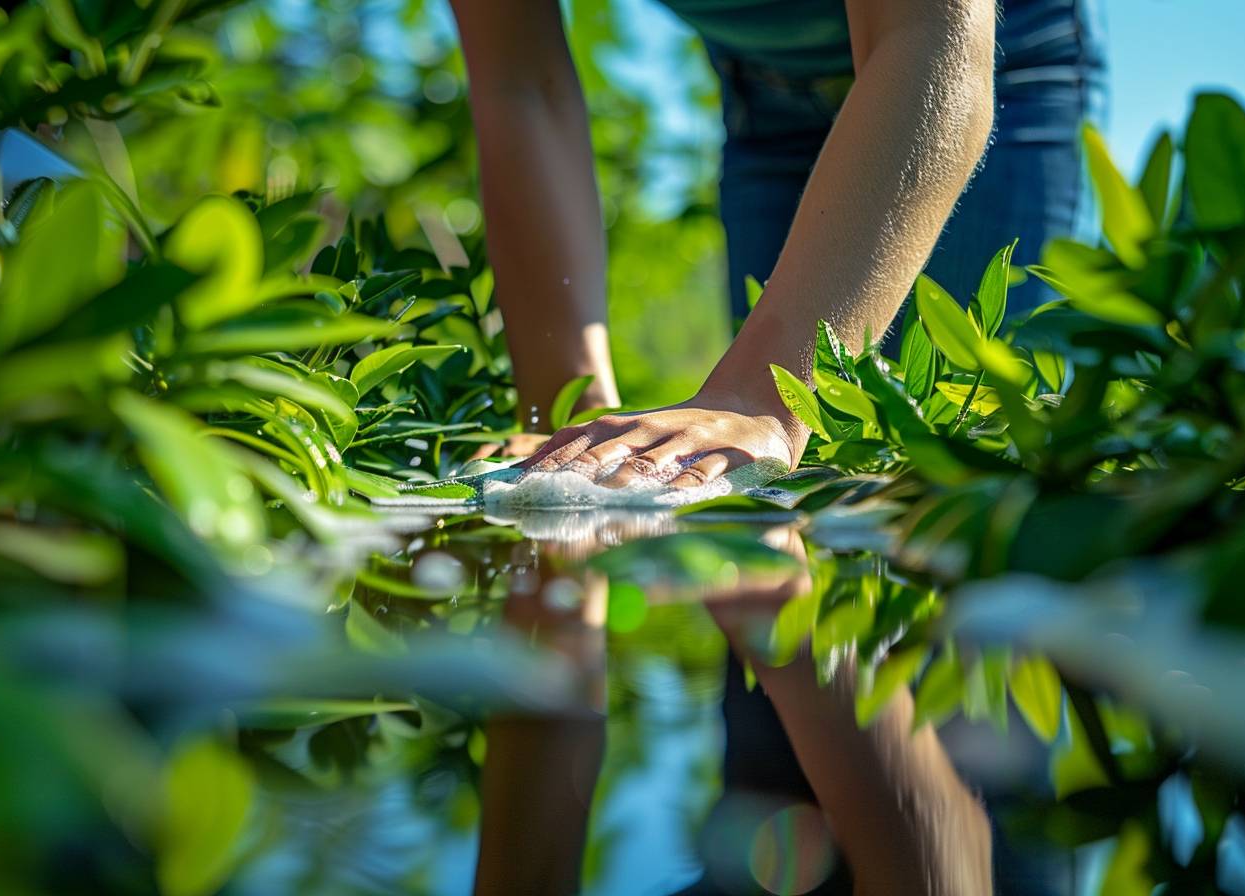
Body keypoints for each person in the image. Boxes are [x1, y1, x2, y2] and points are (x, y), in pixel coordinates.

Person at [449, 0, 1106, 893]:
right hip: (762, 95)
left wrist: (761, 399)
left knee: (950, 524)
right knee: (768, 515)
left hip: (973, 60)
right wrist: (566, 414)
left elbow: (930, 35)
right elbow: (519, 82)